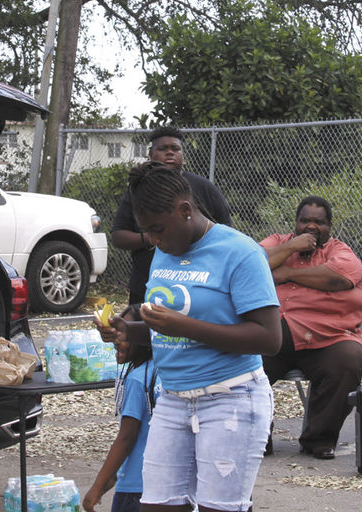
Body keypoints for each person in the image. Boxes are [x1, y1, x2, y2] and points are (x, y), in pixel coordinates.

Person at [106, 161, 279, 512]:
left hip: (230, 398)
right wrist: (130, 331)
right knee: (155, 506)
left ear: (185, 210)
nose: (153, 240)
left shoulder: (241, 252)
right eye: (147, 232)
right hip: (171, 399)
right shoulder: (164, 251)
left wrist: (184, 327)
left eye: (158, 229)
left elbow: (268, 338)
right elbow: (166, 328)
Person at [259, 196, 362, 460]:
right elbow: (251, 262)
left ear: (329, 226)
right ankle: (257, 436)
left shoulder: (339, 251)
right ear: (295, 223)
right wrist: (290, 247)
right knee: (243, 361)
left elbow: (339, 278)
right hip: (276, 335)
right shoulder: (278, 242)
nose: (311, 227)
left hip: (326, 337)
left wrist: (286, 273)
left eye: (319, 223)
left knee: (348, 359)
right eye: (305, 221)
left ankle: (319, 438)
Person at [112, 126, 233, 306]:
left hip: (197, 285)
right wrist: (152, 238)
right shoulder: (137, 191)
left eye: (175, 149)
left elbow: (226, 230)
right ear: (151, 154)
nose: (170, 153)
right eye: (163, 149)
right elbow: (118, 236)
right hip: (147, 285)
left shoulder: (204, 187)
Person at [83, 335, 159, 512]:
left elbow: (126, 438)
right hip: (161, 482)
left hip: (135, 488)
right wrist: (109, 479)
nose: (116, 341)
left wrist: (96, 488)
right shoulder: (164, 372)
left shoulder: (138, 379)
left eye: (124, 335)